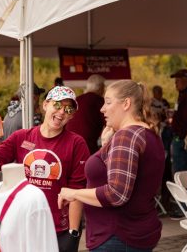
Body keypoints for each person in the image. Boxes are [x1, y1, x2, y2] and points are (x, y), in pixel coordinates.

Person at [0, 85, 90, 252]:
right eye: (57, 105)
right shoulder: (21, 137)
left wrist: (73, 233)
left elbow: (77, 189)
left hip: (57, 229)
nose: (61, 112)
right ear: (45, 105)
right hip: (22, 225)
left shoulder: (76, 143)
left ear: (71, 115)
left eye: (68, 109)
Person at [59, 80, 165, 252]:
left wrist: (74, 193)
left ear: (126, 103)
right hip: (130, 233)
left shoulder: (127, 136)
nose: (102, 109)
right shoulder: (146, 133)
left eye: (108, 102)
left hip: (117, 237)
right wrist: (107, 145)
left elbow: (116, 193)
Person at [66, 74, 105, 154]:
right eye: (103, 86)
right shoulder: (98, 100)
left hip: (68, 142)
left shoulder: (77, 99)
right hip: (87, 144)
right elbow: (110, 122)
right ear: (100, 87)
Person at [150, 85, 172, 211]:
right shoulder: (150, 104)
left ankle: (166, 199)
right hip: (159, 135)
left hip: (165, 134)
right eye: (156, 92)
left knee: (166, 168)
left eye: (160, 91)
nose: (159, 93)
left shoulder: (164, 102)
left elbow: (166, 115)